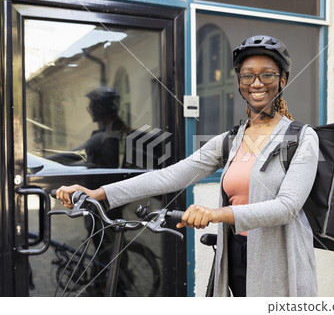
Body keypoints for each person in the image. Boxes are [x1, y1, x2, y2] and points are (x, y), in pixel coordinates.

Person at [56, 35, 319, 297]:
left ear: (282, 80)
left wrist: (215, 214)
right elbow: (170, 176)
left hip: (281, 259)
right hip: (237, 253)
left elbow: (287, 207)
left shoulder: (302, 137)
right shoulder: (229, 140)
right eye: (247, 75)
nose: (257, 83)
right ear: (239, 83)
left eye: (268, 75)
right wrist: (99, 194)